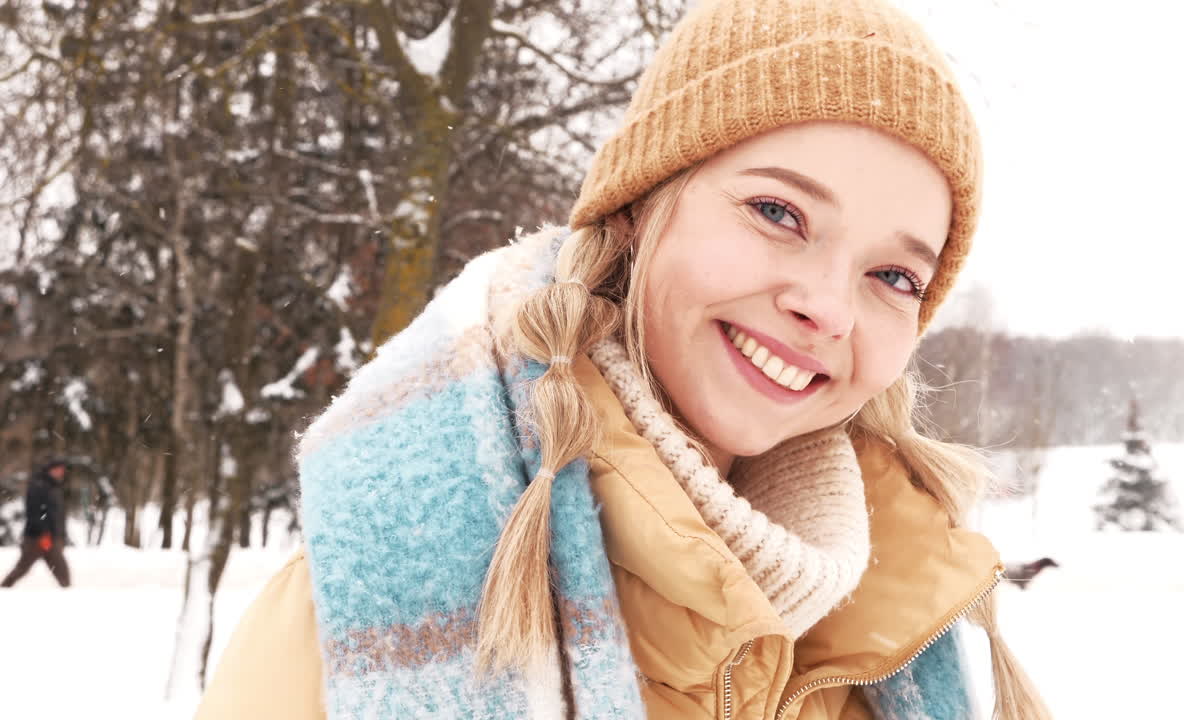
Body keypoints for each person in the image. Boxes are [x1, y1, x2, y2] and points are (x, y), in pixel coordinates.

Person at [197, 0, 1051, 718]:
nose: (827, 308)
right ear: (642, 206)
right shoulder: (363, 615)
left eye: (894, 275)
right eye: (778, 213)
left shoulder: (905, 623)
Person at [2, 459, 72, 588]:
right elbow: (34, 512)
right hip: (36, 538)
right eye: (58, 469)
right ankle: (4, 588)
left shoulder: (55, 487)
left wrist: (61, 535)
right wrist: (43, 533)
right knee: (22, 567)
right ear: (50, 470)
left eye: (62, 470)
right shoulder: (38, 486)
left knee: (61, 570)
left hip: (52, 537)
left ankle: (68, 592)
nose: (61, 472)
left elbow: (57, 515)